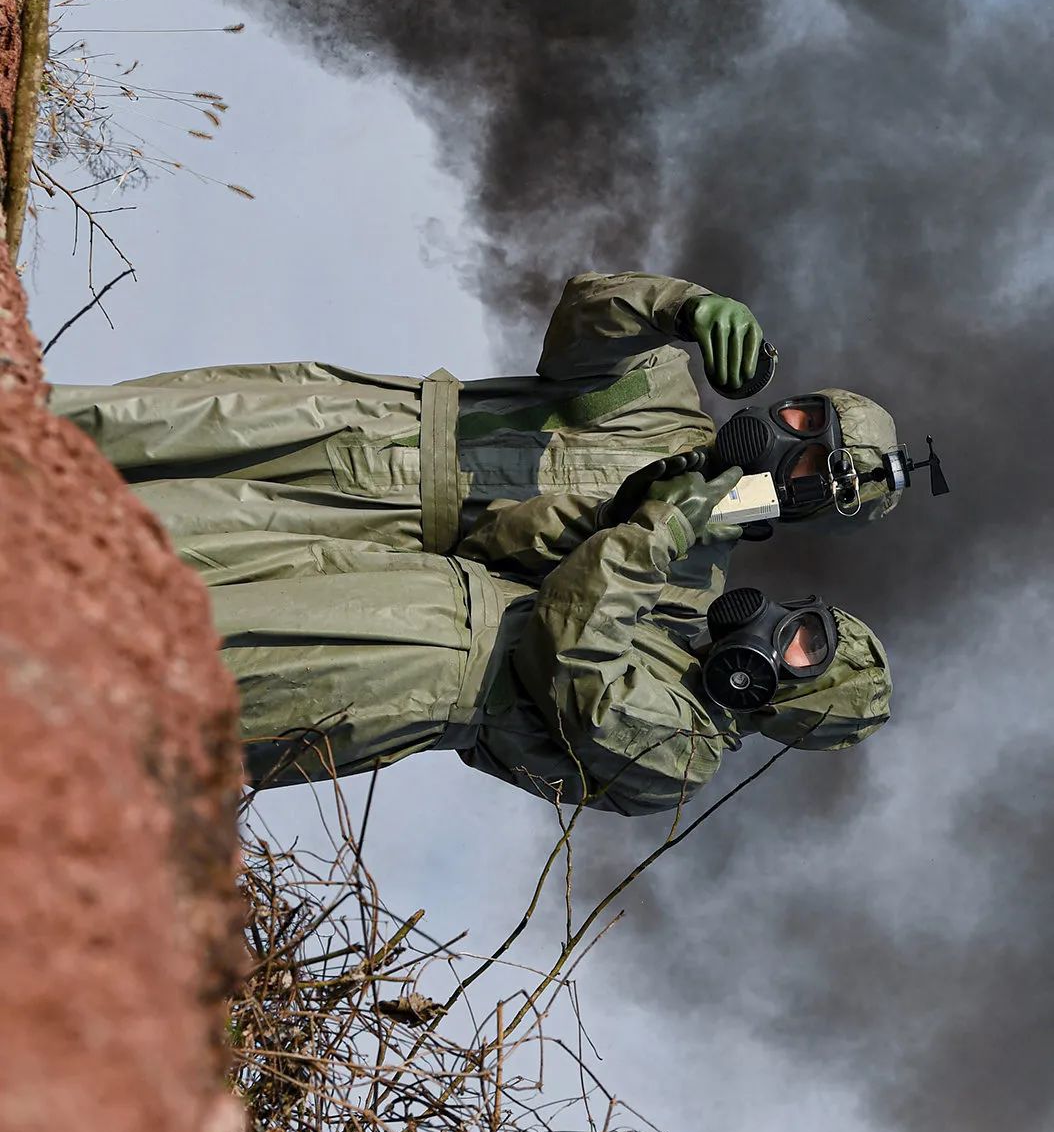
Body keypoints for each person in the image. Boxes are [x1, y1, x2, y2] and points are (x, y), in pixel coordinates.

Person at [49, 273, 903, 618]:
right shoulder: (665, 389)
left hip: (381, 532)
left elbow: (526, 588)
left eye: (806, 474)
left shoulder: (680, 580)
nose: (784, 448)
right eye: (800, 424)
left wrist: (650, 521)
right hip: (380, 420)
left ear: (805, 515)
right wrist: (678, 306)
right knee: (125, 422)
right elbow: (579, 329)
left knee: (158, 535)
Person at [207, 466, 892, 813]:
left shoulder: (683, 758)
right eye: (802, 618)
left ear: (789, 700)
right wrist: (628, 510)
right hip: (416, 587)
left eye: (804, 646)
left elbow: (570, 663)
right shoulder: (675, 629)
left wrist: (655, 537)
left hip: (408, 670)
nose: (778, 624)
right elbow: (505, 541)